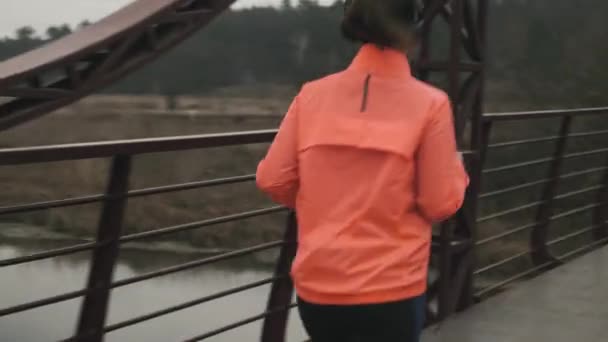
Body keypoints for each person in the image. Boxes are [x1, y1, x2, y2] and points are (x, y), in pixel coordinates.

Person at [256, 0, 469, 341]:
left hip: (319, 287)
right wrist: (455, 165)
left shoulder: (312, 96)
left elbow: (273, 178)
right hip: (391, 290)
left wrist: (324, 202)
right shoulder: (430, 104)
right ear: (411, 29)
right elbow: (439, 202)